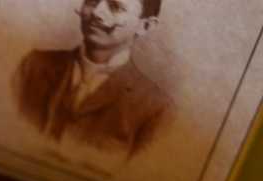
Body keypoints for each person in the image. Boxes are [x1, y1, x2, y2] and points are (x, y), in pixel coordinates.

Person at [13, 0, 171, 160]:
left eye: (115, 7)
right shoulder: (33, 65)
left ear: (145, 26)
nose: (96, 12)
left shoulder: (156, 108)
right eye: (91, 1)